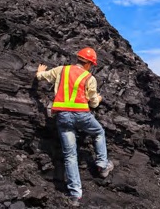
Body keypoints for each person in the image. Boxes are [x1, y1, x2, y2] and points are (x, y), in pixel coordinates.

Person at [36, 47, 114, 206]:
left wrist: (38, 72)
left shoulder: (61, 70)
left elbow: (43, 77)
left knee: (70, 155)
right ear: (89, 64)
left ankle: (75, 195)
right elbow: (92, 102)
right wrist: (98, 98)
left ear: (78, 59)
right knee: (99, 132)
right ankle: (102, 166)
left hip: (63, 117)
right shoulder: (89, 77)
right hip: (82, 116)